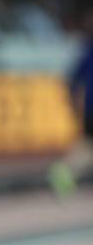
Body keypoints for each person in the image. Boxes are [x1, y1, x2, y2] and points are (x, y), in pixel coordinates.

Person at [48, 11, 93, 197]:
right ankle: (65, 171)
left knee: (87, 146)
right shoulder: (87, 50)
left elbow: (72, 80)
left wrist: (74, 103)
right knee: (88, 147)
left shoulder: (87, 50)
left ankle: (65, 171)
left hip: (89, 107)